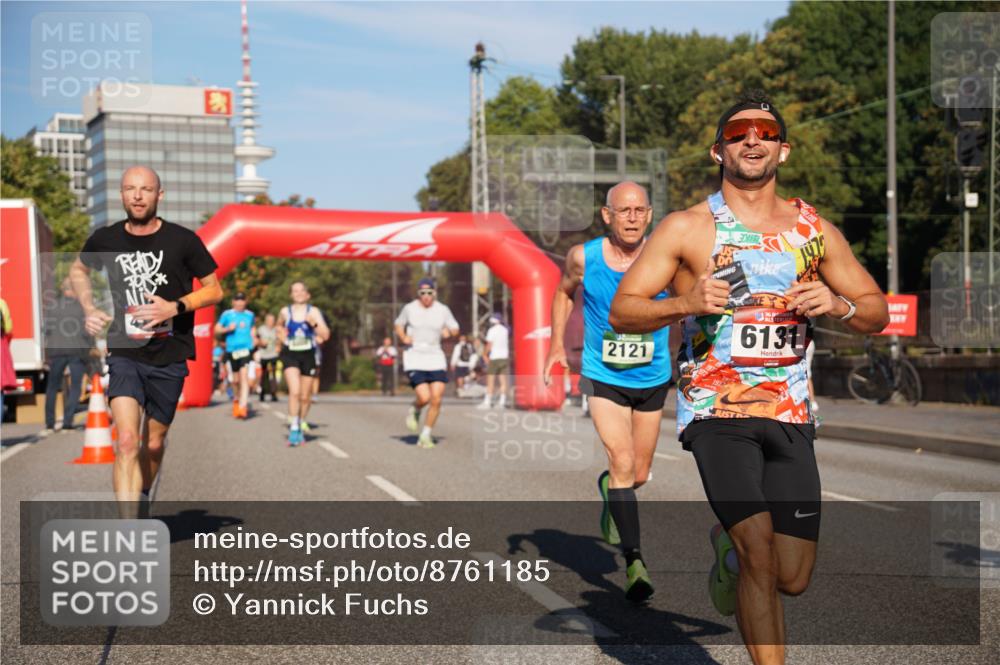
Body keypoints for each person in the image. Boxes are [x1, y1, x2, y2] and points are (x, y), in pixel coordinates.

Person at [609, 90, 888, 664]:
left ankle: (725, 552)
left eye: (764, 131)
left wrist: (835, 303)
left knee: (792, 576)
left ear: (783, 150)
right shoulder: (688, 229)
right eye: (738, 134)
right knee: (760, 552)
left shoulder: (814, 231)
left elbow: (875, 311)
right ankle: (743, 559)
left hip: (789, 414)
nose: (752, 139)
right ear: (719, 151)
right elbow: (624, 308)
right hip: (718, 413)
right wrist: (684, 301)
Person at [543, 181, 669, 603]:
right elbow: (563, 294)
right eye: (624, 210)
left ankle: (609, 487)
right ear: (607, 215)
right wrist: (556, 344)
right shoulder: (583, 257)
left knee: (637, 474)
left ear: (649, 215)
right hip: (603, 374)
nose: (632, 217)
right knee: (622, 459)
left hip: (652, 376)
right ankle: (634, 562)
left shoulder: (666, 256)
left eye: (639, 211)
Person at [70, 165, 223, 513]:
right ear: (122, 194)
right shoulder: (104, 239)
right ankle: (130, 537)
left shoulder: (183, 240)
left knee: (152, 444)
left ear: (159, 195)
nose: (137, 196)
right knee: (125, 441)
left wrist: (175, 306)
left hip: (170, 354)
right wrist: (88, 306)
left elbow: (214, 289)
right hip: (125, 350)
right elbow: (78, 270)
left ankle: (140, 497)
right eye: (130, 189)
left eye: (146, 189)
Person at [395, 277, 459, 448]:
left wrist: (449, 332)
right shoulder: (409, 308)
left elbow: (455, 327)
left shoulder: (442, 310)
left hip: (435, 355)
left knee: (436, 399)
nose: (426, 296)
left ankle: (426, 434)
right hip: (415, 356)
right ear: (418, 294)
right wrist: (403, 337)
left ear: (435, 293)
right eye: (422, 293)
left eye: (429, 293)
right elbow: (398, 324)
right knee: (425, 397)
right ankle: (416, 408)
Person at [277, 281, 330, 446]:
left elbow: (326, 334)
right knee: (295, 391)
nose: (298, 293)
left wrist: (313, 324)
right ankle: (293, 428)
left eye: (301, 291)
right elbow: (278, 326)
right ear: (291, 294)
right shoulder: (285, 311)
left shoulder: (313, 311)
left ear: (307, 294)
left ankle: (300, 422)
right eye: (295, 291)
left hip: (308, 355)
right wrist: (282, 337)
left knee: (305, 397)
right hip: (290, 354)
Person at [41, 278, 93, 435]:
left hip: (56, 351)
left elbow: (47, 330)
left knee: (52, 387)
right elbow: (88, 332)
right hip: (77, 352)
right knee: (75, 387)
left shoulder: (52, 306)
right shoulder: (81, 307)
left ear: (63, 290)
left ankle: (50, 423)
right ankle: (67, 421)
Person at [215, 292, 257, 420]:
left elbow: (253, 328)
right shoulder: (227, 314)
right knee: (235, 380)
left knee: (244, 377)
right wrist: (227, 329)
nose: (240, 303)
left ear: (245, 302)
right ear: (233, 302)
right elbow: (216, 329)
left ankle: (243, 406)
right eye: (237, 300)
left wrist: (254, 338)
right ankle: (237, 399)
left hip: (246, 349)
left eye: (242, 300)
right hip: (231, 350)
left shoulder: (250, 315)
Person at [478, 314, 511, 409]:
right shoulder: (505, 330)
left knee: (490, 380)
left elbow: (489, 344)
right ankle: (502, 402)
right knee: (503, 381)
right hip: (504, 357)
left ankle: (487, 402)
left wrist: (484, 354)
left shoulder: (492, 331)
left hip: (494, 357)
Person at [256, 312, 280, 402]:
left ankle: (273, 393)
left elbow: (279, 340)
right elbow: (256, 339)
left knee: (273, 374)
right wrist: (261, 343)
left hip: (273, 354)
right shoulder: (261, 329)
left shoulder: (276, 330)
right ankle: (262, 392)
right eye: (269, 320)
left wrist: (278, 346)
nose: (271, 322)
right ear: (266, 321)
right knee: (264, 375)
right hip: (264, 355)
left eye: (272, 320)